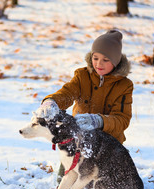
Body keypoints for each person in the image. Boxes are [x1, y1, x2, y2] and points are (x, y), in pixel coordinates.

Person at [35, 29, 133, 180]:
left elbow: (122, 119)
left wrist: (99, 121)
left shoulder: (124, 86)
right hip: (79, 139)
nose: (99, 64)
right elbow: (67, 93)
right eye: (95, 58)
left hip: (107, 144)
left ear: (115, 61)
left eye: (106, 60)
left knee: (101, 184)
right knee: (66, 181)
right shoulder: (82, 76)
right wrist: (51, 101)